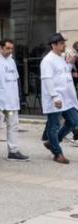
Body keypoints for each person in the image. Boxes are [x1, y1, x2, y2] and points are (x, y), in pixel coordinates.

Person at [41, 33, 76, 164]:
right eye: (61, 43)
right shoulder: (47, 60)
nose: (64, 45)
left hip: (66, 98)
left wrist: (70, 64)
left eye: (63, 43)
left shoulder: (61, 57)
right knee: (53, 126)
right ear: (53, 45)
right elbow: (47, 79)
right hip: (55, 99)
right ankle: (57, 153)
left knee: (74, 121)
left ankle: (53, 142)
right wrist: (55, 96)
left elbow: (64, 73)